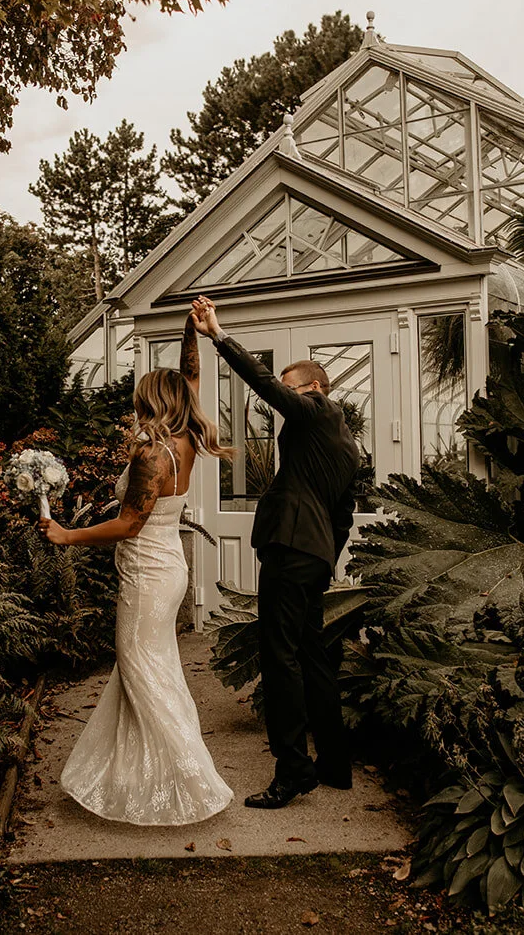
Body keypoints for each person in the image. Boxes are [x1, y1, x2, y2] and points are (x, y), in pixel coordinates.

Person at [39, 309, 234, 825]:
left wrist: (67, 535)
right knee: (150, 669)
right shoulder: (186, 437)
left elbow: (128, 525)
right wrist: (193, 330)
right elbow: (190, 374)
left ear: (151, 402)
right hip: (165, 567)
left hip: (148, 576)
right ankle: (130, 775)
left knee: (144, 673)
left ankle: (192, 780)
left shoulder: (153, 455)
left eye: (139, 396)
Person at [190, 295, 358, 809]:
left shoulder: (316, 412)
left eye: (290, 390)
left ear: (313, 388)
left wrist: (219, 335)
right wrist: (326, 556)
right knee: (312, 655)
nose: (282, 399)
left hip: (291, 549)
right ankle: (334, 765)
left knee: (279, 655)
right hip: (314, 554)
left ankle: (292, 772)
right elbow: (343, 514)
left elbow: (264, 384)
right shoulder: (346, 443)